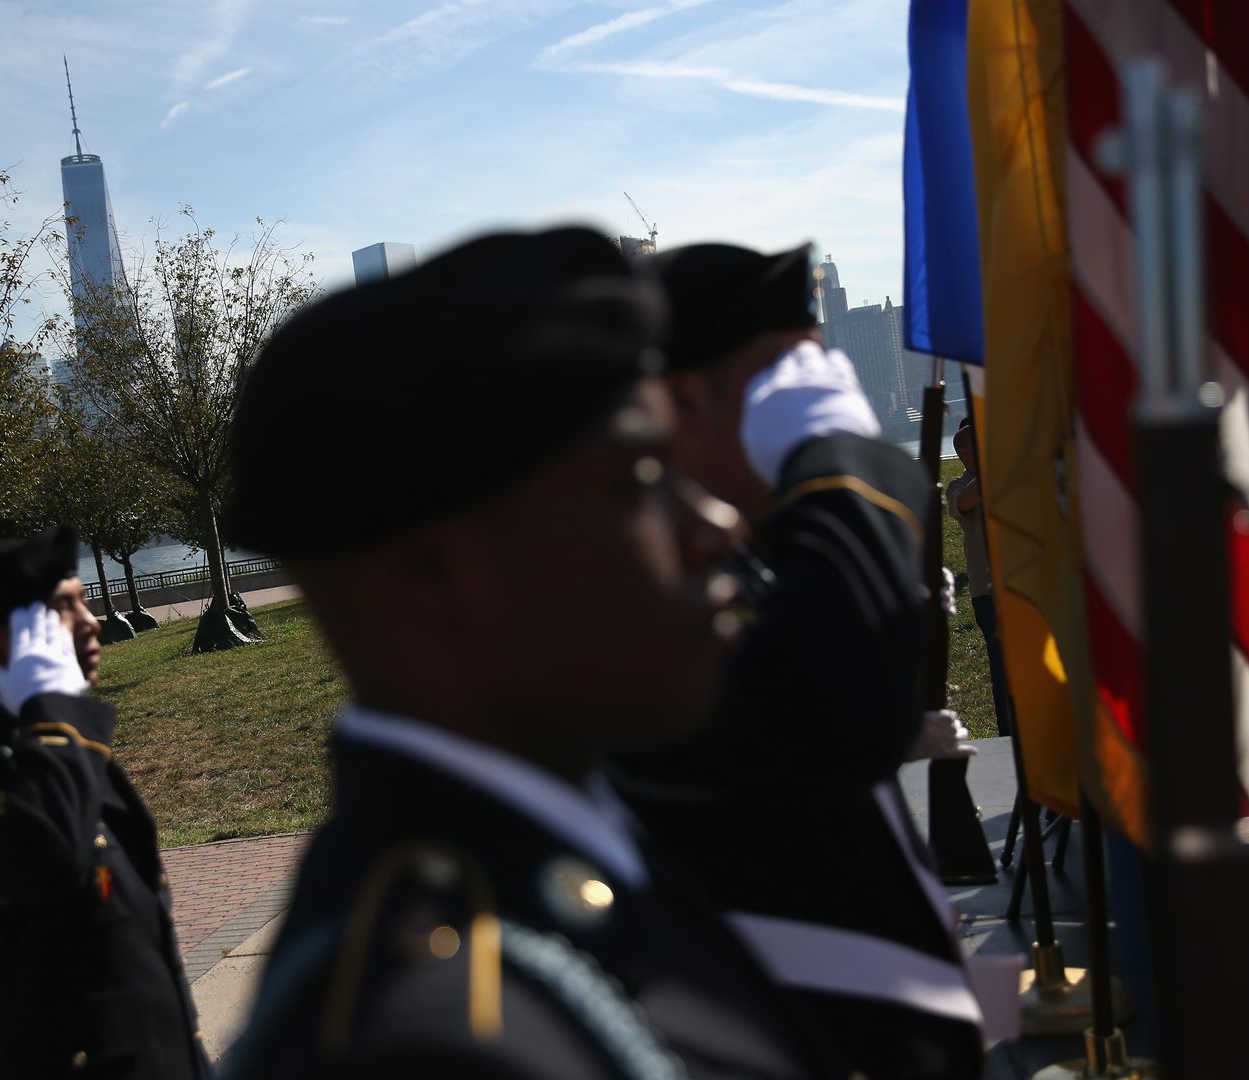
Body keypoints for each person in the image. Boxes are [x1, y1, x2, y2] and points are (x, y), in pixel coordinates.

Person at [223, 228, 843, 1078]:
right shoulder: (437, 1045)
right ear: (433, 576)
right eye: (637, 483)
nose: (717, 527)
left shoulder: (558, 849)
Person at [607, 242, 986, 1079]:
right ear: (684, 401)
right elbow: (838, 698)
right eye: (787, 380)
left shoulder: (751, 558)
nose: (824, 395)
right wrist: (844, 463)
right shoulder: (642, 602)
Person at [0, 527, 208, 1079]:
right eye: (64, 608)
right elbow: (48, 852)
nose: (91, 622)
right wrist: (54, 709)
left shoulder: (57, 746)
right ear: (1, 643)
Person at [947, 417, 1012, 738]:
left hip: (1016, 585)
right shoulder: (960, 485)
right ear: (964, 456)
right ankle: (1008, 732)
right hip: (987, 592)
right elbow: (964, 502)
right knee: (1002, 670)